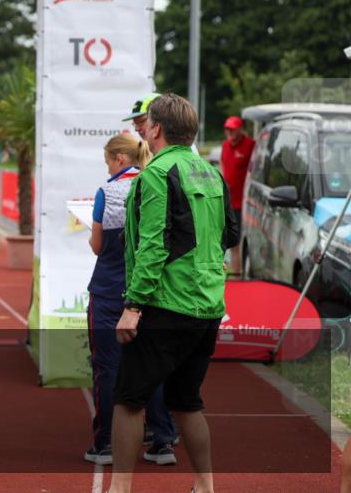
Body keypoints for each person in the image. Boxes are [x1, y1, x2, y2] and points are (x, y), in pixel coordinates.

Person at [110, 94, 240, 493]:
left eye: (145, 123)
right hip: (207, 304)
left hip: (165, 303)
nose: (142, 128)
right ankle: (205, 484)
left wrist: (133, 305)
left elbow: (153, 245)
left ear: (156, 130)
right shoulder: (211, 172)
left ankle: (119, 488)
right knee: (187, 400)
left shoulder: (155, 173)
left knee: (129, 400)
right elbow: (229, 235)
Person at [83, 133, 179, 468]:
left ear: (119, 160)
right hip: (151, 292)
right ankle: (163, 440)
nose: (107, 166)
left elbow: (96, 246)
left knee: (107, 369)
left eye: (108, 160)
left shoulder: (106, 192)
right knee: (151, 366)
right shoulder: (159, 186)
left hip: (109, 290)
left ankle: (106, 443)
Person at [220, 115, 254, 274]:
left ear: (240, 130)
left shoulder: (250, 145)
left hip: (243, 202)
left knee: (238, 240)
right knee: (227, 239)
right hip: (227, 201)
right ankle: (232, 273)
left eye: (233, 129)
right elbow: (223, 166)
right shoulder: (225, 146)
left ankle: (238, 274)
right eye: (228, 129)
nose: (230, 133)